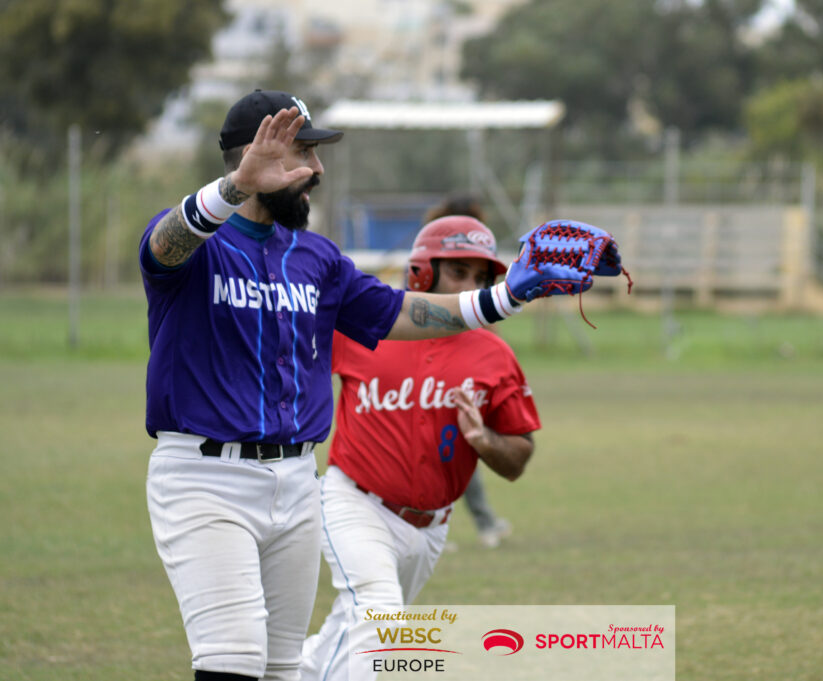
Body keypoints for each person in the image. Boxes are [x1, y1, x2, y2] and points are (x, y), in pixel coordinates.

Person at [139, 90, 534, 681]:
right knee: (233, 658)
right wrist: (233, 189)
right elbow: (161, 246)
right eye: (304, 154)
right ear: (255, 158)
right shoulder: (199, 245)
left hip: (297, 483)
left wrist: (507, 295)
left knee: (280, 669)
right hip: (206, 481)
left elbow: (404, 312)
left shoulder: (317, 258)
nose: (317, 171)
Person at [299, 214, 540, 681]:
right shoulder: (365, 330)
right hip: (356, 502)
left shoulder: (493, 354)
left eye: (481, 277)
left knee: (352, 629)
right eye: (458, 271)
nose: (471, 284)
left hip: (431, 527)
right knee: (381, 620)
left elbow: (517, 460)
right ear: (422, 273)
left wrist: (482, 440)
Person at [422, 195, 514, 549]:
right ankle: (469, 521)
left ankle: (462, 520)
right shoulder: (438, 262)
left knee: (455, 441)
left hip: (452, 361)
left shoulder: (458, 262)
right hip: (443, 362)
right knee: (454, 441)